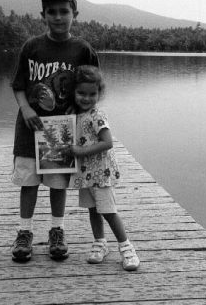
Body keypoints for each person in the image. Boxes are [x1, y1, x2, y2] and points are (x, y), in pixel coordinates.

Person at [11, 0, 99, 262]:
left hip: (62, 130)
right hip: (30, 128)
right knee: (29, 181)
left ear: (75, 14)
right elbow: (18, 85)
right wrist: (25, 108)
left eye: (64, 11)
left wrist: (82, 109)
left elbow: (94, 87)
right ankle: (24, 232)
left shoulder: (82, 49)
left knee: (58, 182)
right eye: (52, 12)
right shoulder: (32, 47)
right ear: (43, 15)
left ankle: (56, 230)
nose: (58, 17)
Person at [68, 65, 140, 271]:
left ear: (99, 93)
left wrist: (80, 152)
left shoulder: (97, 115)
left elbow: (107, 142)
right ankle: (100, 243)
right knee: (93, 210)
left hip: (100, 172)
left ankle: (127, 248)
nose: (86, 98)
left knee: (108, 211)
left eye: (92, 94)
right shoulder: (76, 115)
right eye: (81, 93)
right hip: (85, 173)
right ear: (74, 92)